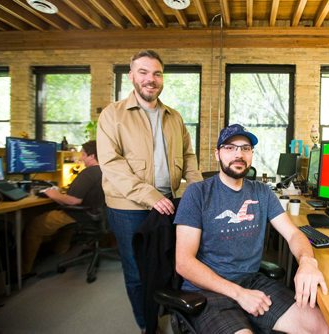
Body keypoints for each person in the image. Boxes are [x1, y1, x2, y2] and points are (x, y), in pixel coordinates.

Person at [175, 124, 329, 334]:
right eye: (230, 148)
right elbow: (184, 263)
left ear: (251, 154)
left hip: (253, 281)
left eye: (245, 148)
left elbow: (293, 234)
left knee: (320, 327)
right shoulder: (197, 193)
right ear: (217, 153)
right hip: (208, 290)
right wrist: (239, 294)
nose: (239, 154)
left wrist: (307, 262)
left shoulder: (262, 192)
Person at [97, 49, 202, 331]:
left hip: (170, 202)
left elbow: (189, 156)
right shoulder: (113, 114)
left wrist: (195, 190)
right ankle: (147, 325)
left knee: (169, 266)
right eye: (143, 72)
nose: (150, 79)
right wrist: (150, 196)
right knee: (137, 272)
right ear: (131, 76)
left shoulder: (174, 117)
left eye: (156, 73)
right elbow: (111, 164)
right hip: (128, 207)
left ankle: (168, 315)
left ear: (162, 78)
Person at [22, 140, 104, 276]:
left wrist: (53, 194)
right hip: (96, 215)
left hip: (79, 214)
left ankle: (23, 271)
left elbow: (73, 200)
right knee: (62, 221)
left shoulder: (88, 173)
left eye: (83, 155)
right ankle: (60, 251)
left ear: (92, 156)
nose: (81, 158)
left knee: (34, 225)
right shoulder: (105, 171)